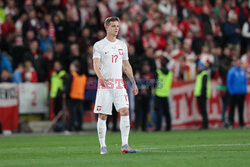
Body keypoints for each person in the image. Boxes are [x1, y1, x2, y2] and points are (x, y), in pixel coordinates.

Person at [93, 16, 138, 154]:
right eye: (113, 26)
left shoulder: (122, 45)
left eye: (117, 26)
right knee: (103, 115)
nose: (116, 28)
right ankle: (103, 146)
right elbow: (95, 65)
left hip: (119, 84)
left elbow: (126, 65)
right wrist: (101, 78)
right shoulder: (99, 45)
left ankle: (125, 145)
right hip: (105, 85)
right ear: (106, 27)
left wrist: (133, 82)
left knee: (125, 111)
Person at [64, 61, 87, 132]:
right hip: (80, 97)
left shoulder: (71, 76)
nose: (70, 68)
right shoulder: (83, 77)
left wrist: (65, 94)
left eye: (72, 66)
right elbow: (85, 88)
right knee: (79, 113)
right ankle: (79, 128)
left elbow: (68, 87)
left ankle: (70, 128)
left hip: (72, 97)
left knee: (72, 114)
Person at [226, 59, 247, 128]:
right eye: (237, 62)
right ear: (235, 63)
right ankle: (231, 123)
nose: (238, 64)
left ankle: (242, 123)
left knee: (241, 109)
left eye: (239, 63)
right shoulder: (231, 71)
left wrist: (244, 90)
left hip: (242, 93)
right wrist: (231, 91)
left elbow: (244, 81)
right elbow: (229, 82)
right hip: (234, 93)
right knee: (232, 109)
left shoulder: (242, 71)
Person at [154, 56, 173, 131]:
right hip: (166, 94)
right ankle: (168, 127)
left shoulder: (158, 72)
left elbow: (154, 83)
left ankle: (158, 127)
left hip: (158, 93)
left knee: (159, 112)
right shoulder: (170, 73)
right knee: (167, 112)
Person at [194, 61, 211, 130]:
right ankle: (205, 124)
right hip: (200, 94)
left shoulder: (204, 74)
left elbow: (204, 86)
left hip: (202, 94)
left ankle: (205, 124)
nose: (198, 68)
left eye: (199, 66)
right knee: (203, 110)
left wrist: (202, 93)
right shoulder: (201, 74)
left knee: (203, 110)